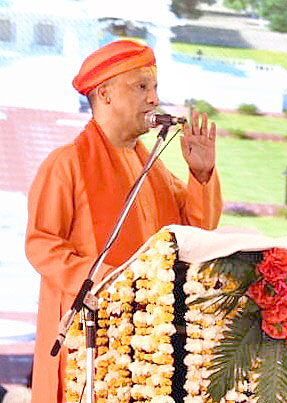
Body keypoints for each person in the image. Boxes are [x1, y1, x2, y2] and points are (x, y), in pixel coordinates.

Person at [25, 40, 223, 401]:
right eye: (141, 87)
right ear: (105, 94)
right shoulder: (66, 163)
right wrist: (101, 280)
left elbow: (198, 235)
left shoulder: (155, 168)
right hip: (93, 343)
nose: (153, 99)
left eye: (155, 88)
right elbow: (42, 244)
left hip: (149, 339)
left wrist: (202, 174)